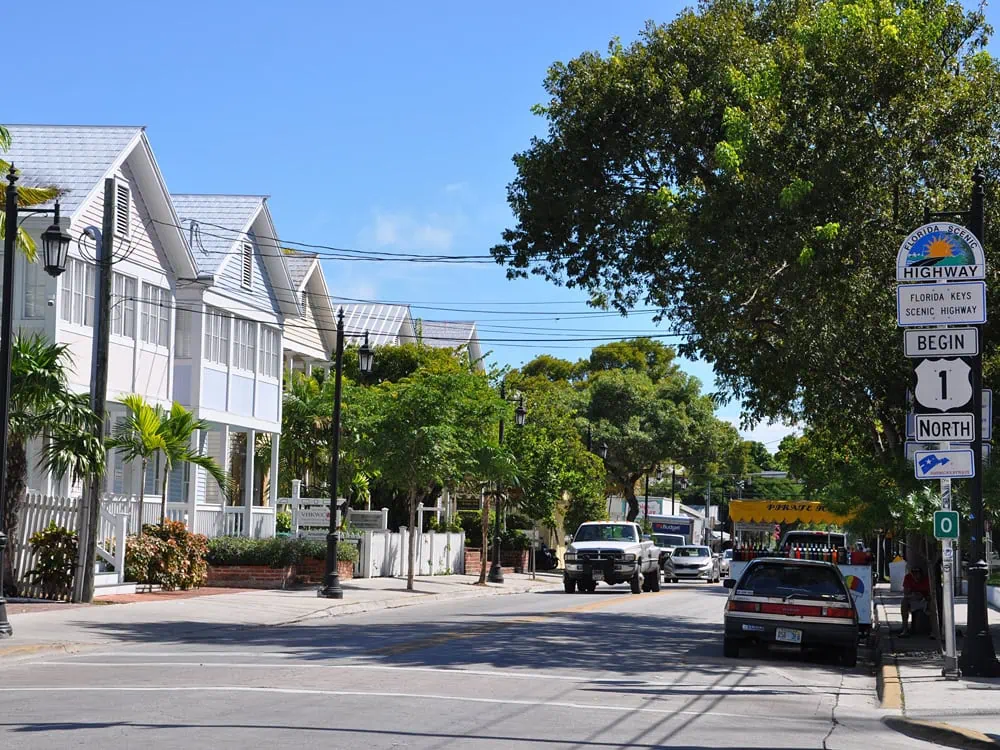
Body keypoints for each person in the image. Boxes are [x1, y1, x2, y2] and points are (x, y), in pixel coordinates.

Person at [899, 564, 930, 637]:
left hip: (924, 600)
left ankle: (934, 631)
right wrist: (912, 595)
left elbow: (930, 594)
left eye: (917, 573)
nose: (915, 575)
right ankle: (905, 629)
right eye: (913, 573)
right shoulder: (908, 578)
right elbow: (905, 594)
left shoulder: (926, 580)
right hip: (912, 600)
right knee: (904, 603)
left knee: (932, 605)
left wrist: (923, 596)